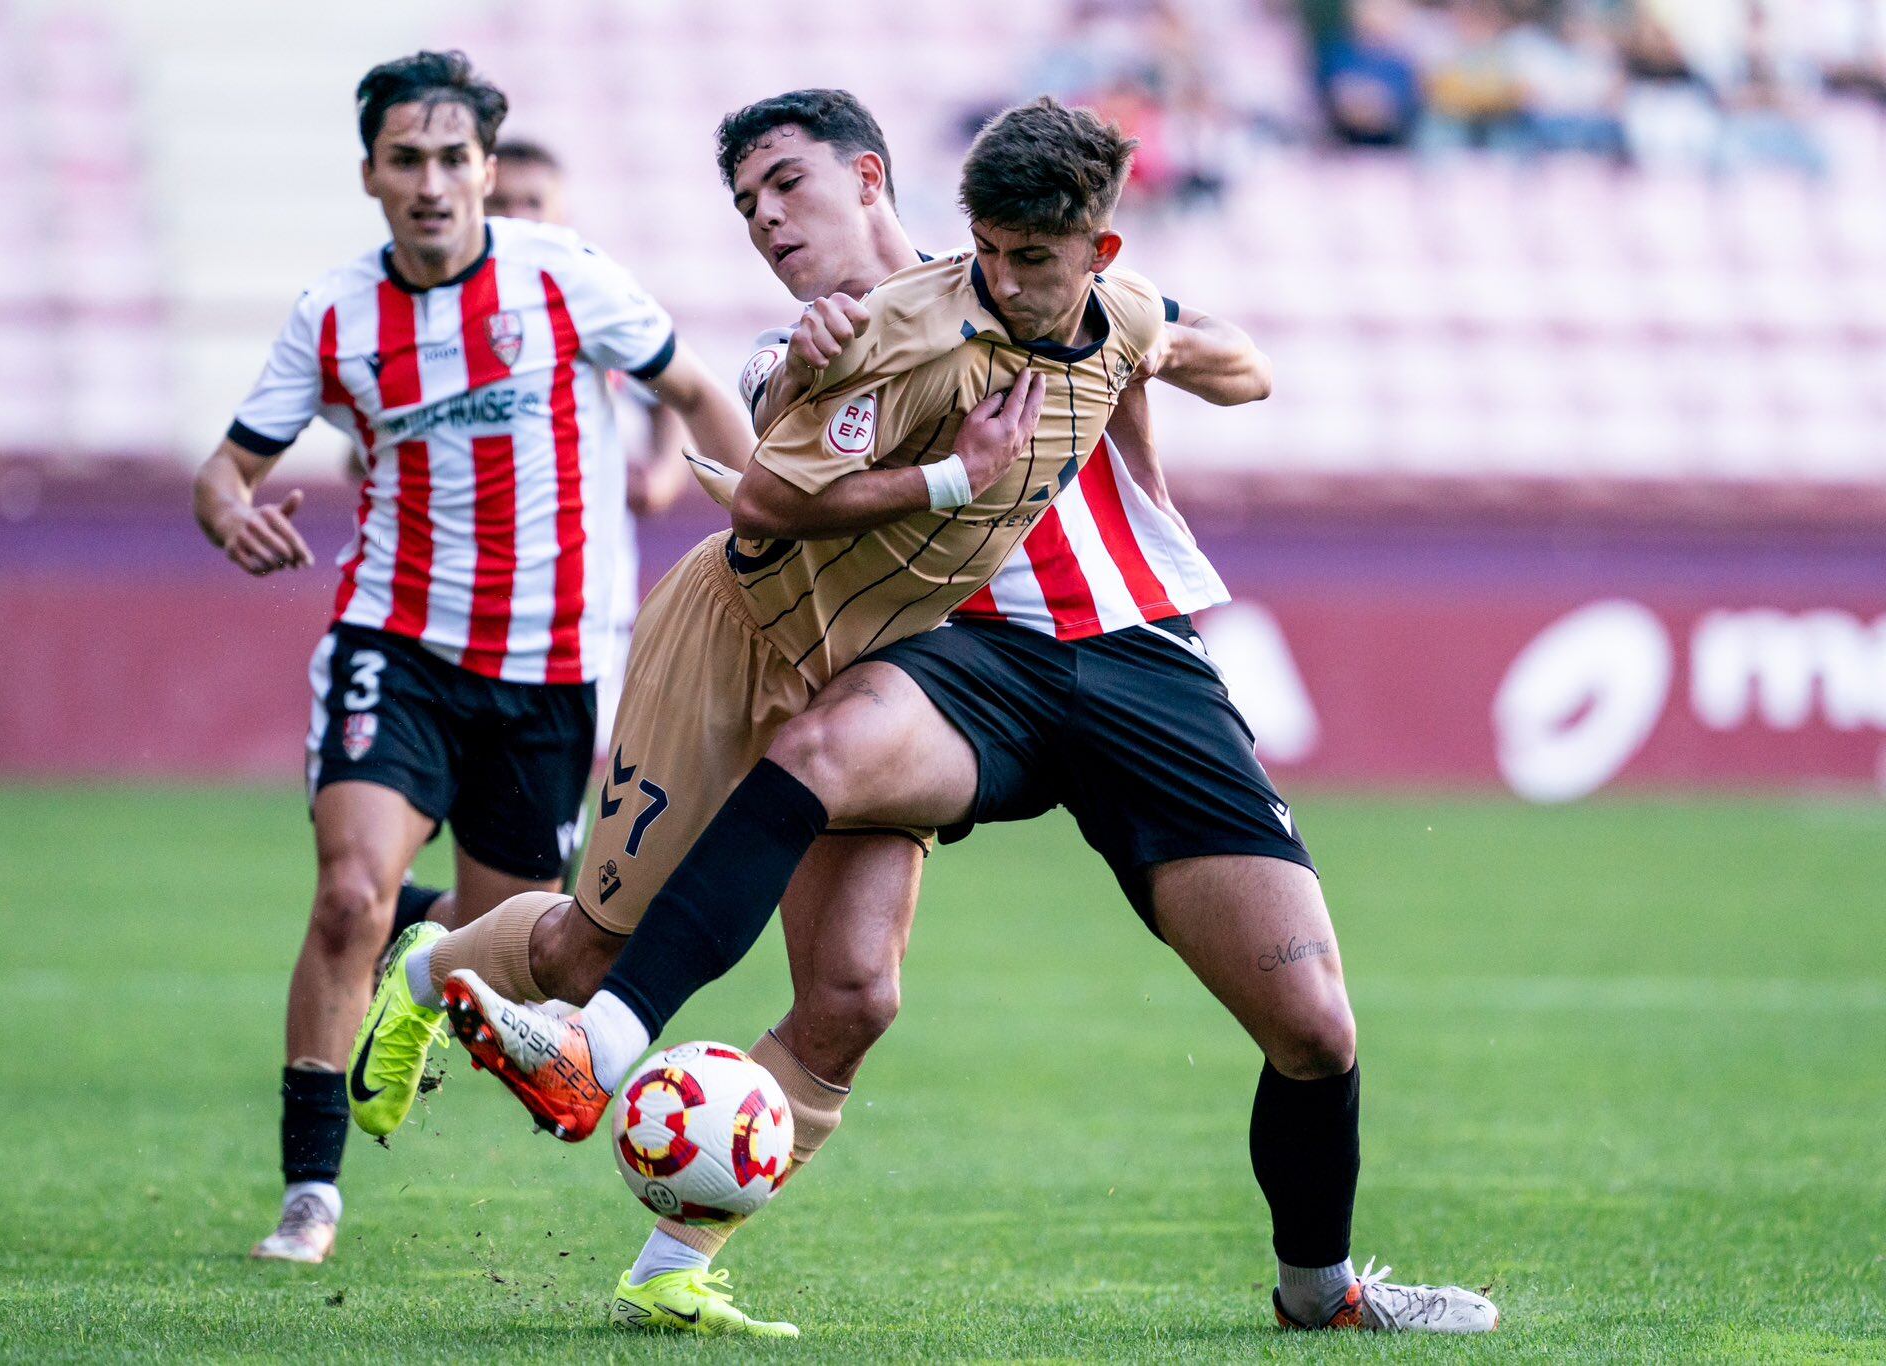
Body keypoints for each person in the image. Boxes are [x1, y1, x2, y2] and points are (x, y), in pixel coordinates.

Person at [408, 90, 1496, 1336]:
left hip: (1143, 658)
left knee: (1308, 1026)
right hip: (964, 656)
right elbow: (774, 414)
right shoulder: (838, 338)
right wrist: (829, 374)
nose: (767, 220)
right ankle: (596, 1043)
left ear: (872, 179)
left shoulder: (1074, 289)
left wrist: (1157, 345)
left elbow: (1244, 368)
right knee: (810, 767)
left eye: (787, 189)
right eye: (746, 204)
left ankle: (1321, 1290)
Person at [191, 50, 754, 1263]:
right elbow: (225, 467)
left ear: (489, 171)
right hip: (394, 641)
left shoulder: (566, 277)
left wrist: (757, 514)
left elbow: (700, 394)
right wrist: (232, 510)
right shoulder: (334, 314)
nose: (433, 183)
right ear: (369, 175)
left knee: (527, 952)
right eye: (408, 160)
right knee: (345, 893)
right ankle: (310, 1191)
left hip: (551, 668)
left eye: (455, 159)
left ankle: (410, 946)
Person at [482, 136, 691, 760]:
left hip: (583, 589)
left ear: (562, 214)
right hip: (463, 587)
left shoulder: (592, 298)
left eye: (532, 202)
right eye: (500, 203)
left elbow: (676, 397)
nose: (517, 218)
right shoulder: (438, 307)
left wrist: (661, 477)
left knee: (586, 770)